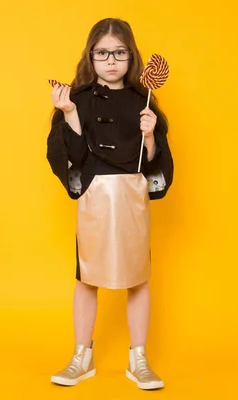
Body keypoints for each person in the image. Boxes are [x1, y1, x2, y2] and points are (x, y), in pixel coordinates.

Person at [46, 17, 174, 390]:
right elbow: (67, 155)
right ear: (91, 56)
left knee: (138, 277)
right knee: (86, 277)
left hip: (131, 196)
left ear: (132, 56)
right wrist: (69, 114)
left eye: (119, 52)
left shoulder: (143, 101)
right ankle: (81, 356)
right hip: (94, 195)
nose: (111, 60)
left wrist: (150, 137)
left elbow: (156, 162)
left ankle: (139, 358)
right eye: (102, 53)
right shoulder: (78, 99)